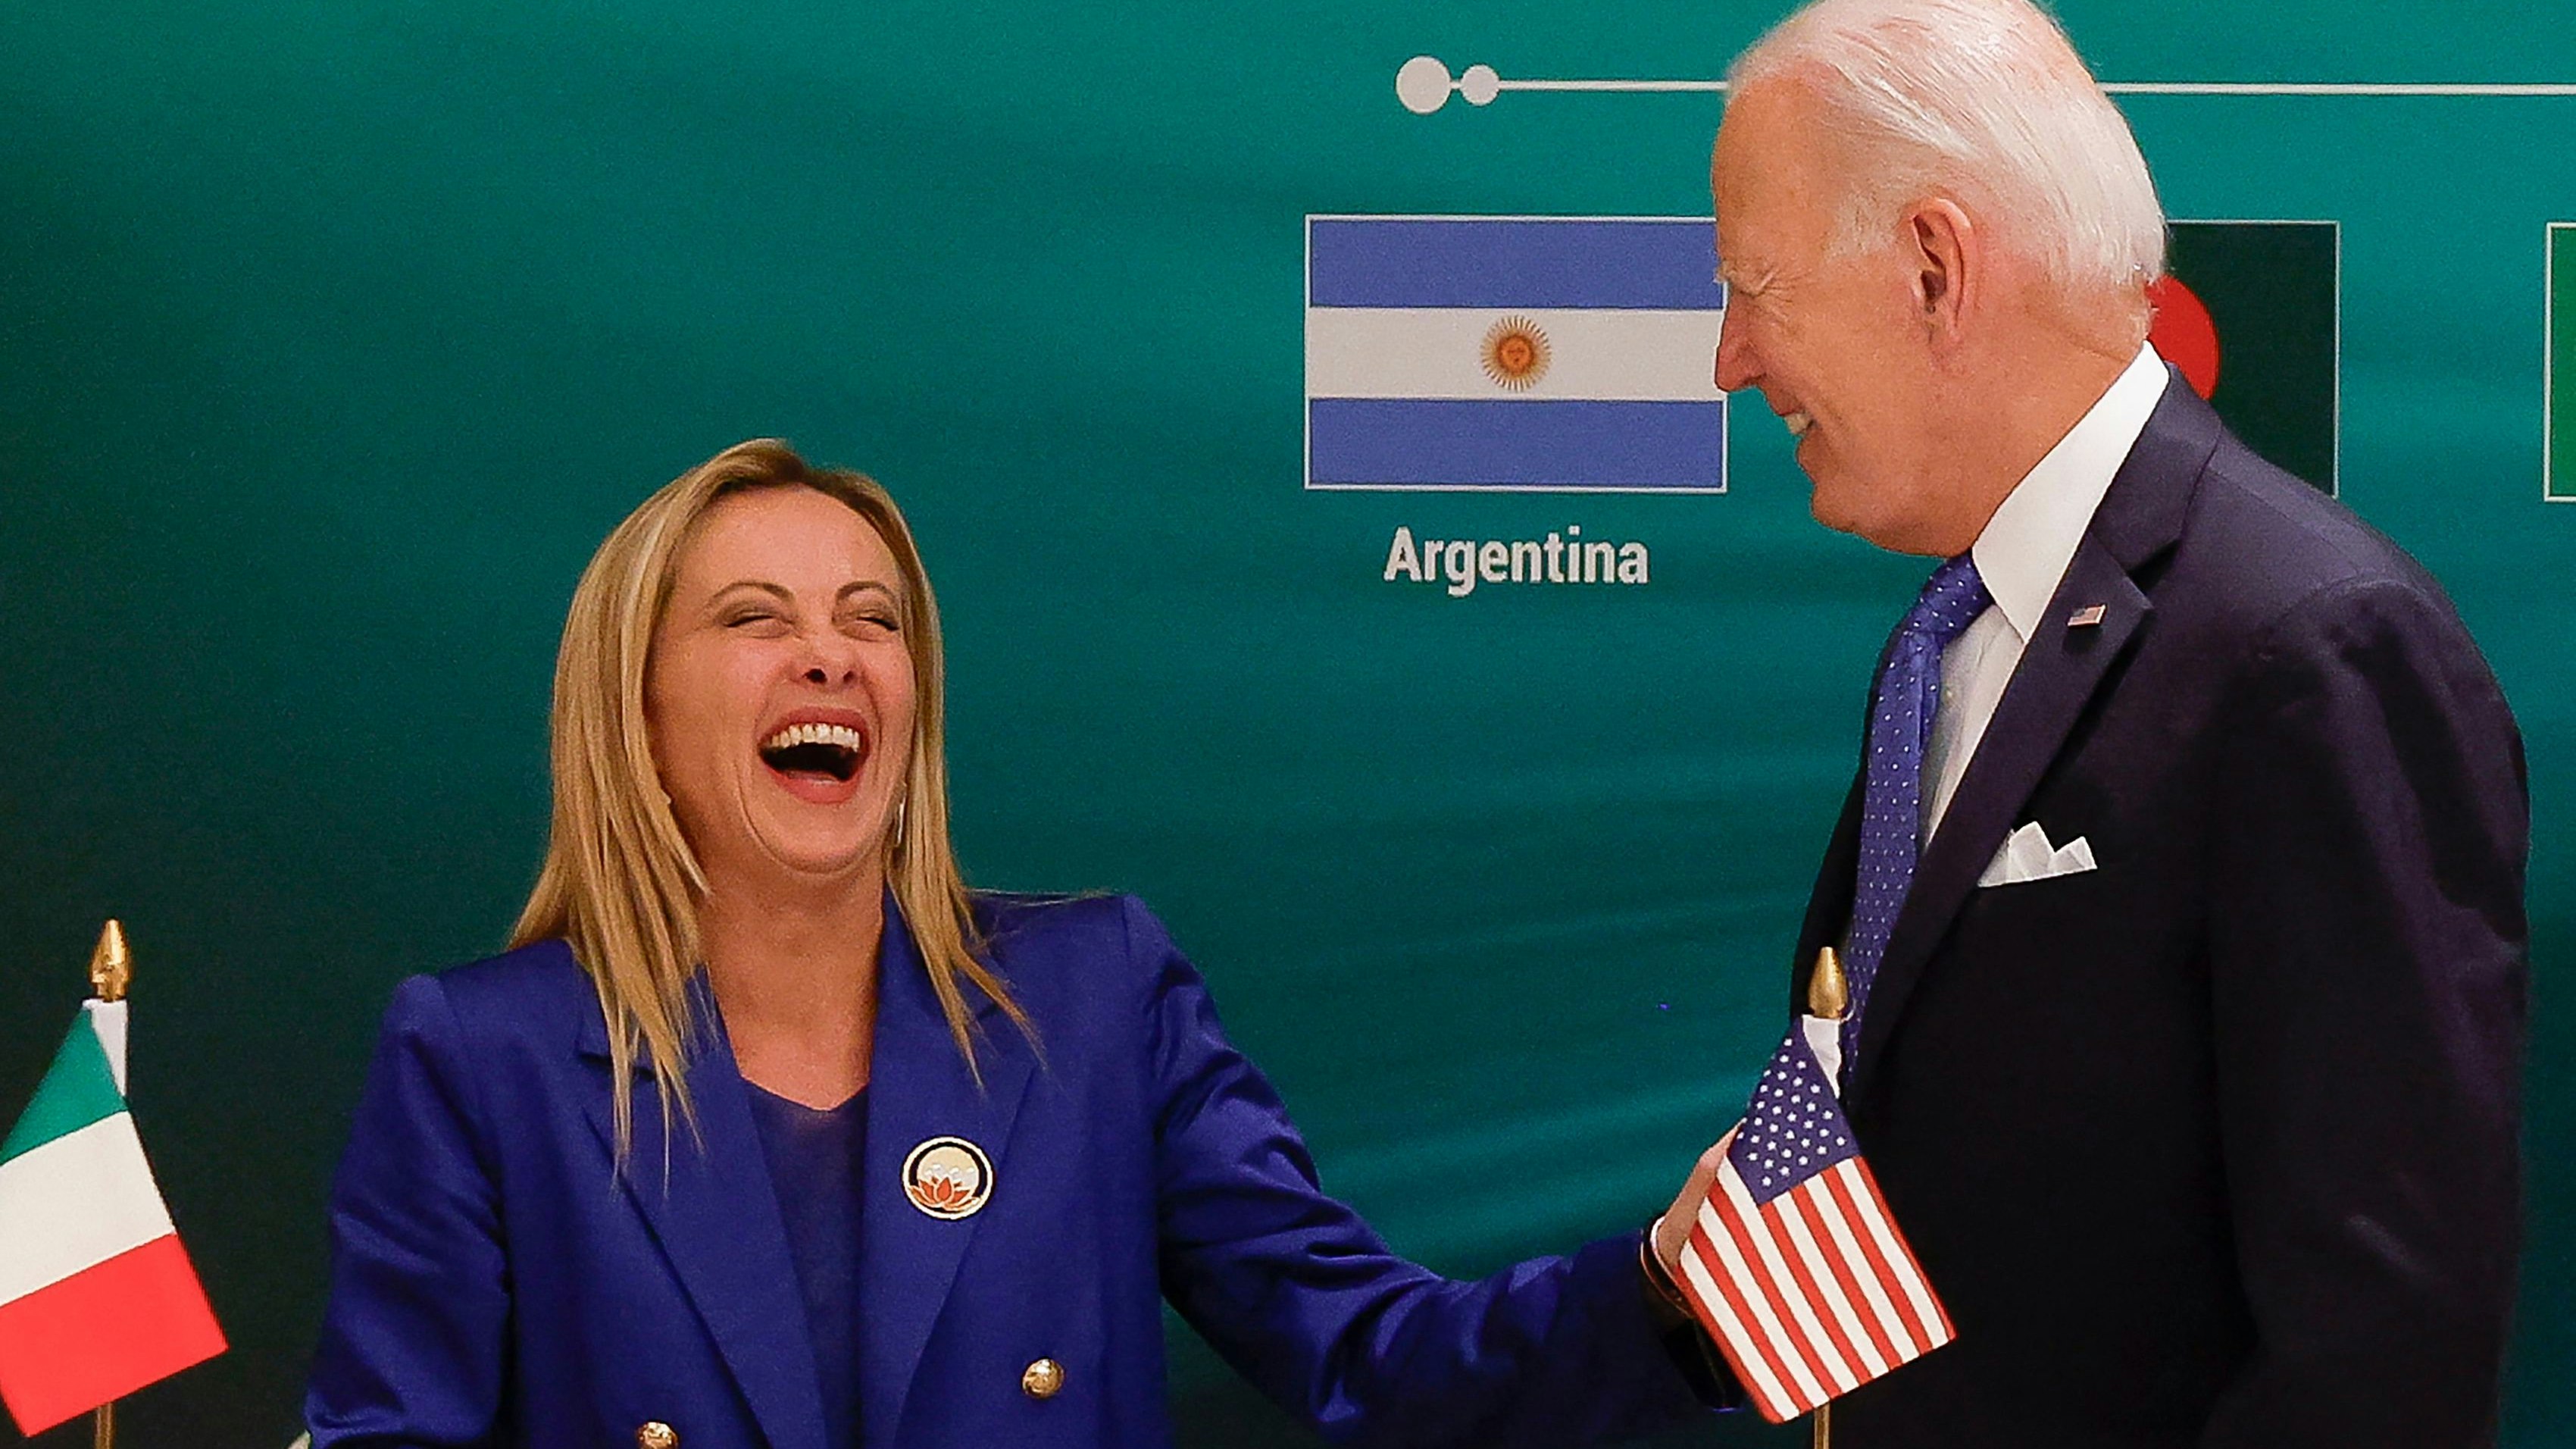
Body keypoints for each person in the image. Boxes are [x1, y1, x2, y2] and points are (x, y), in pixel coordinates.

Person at [305, 440, 1727, 1448]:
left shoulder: (1097, 995)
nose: (830, 656)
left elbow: (1369, 1352)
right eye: (755, 620)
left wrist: (1667, 1279)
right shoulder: (479, 1057)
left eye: (874, 621)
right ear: (637, 715)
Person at [1664, 0, 2530, 1442]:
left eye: (1756, 283)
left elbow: (2382, 1349)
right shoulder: (1955, 629)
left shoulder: (2314, 649)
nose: (1731, 358)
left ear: (1935, 269)